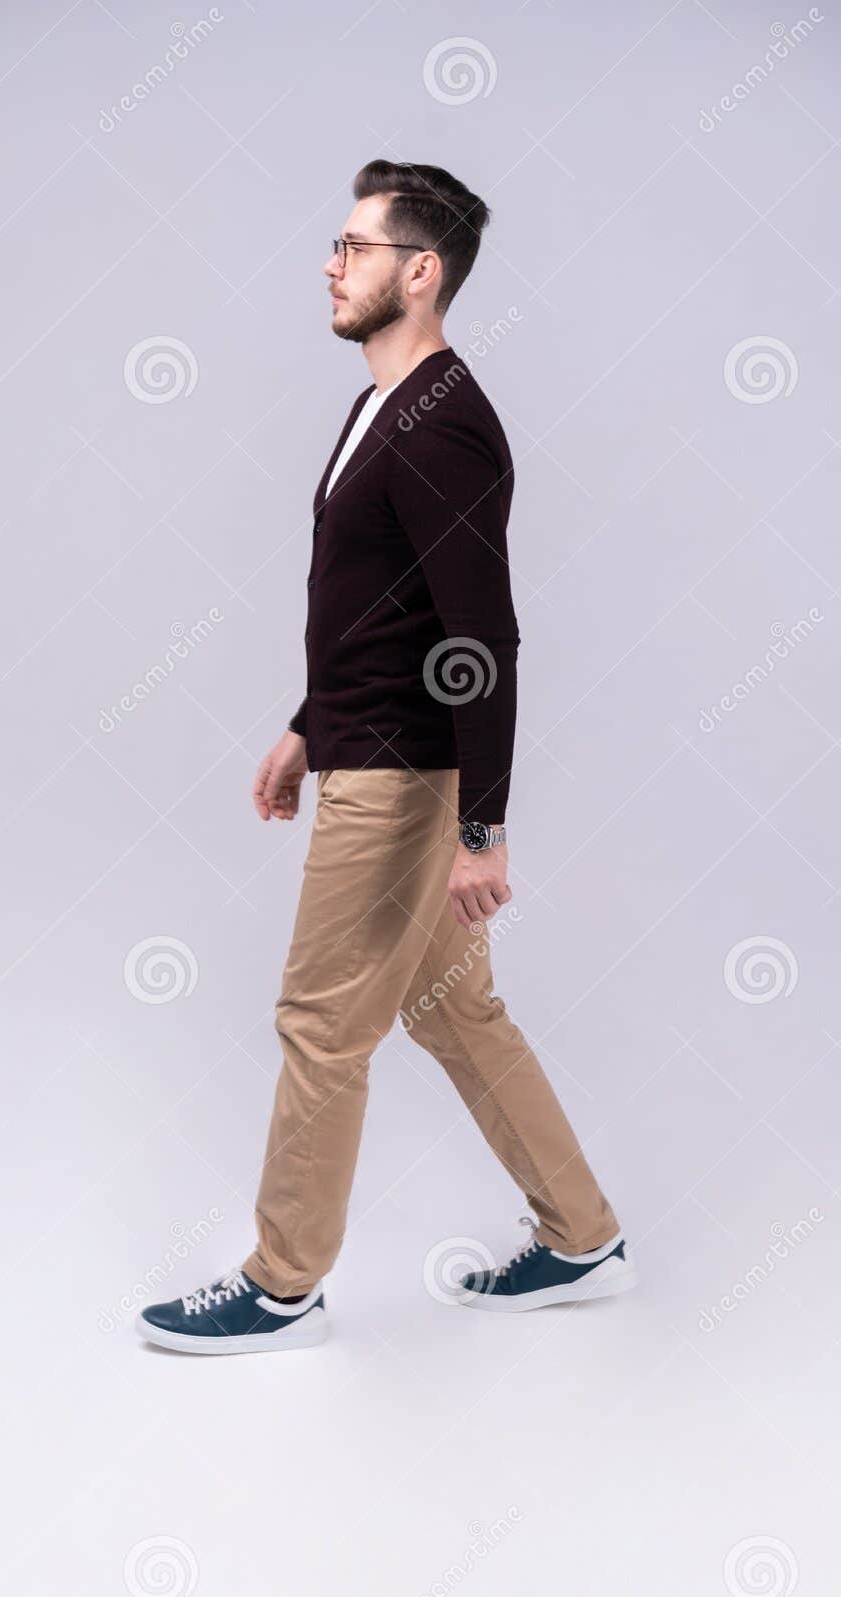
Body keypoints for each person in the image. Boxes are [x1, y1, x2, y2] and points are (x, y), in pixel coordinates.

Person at [137, 160, 634, 1355]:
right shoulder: (383, 404)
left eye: (355, 247)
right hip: (367, 748)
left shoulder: (443, 421)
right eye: (336, 242)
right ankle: (581, 1236)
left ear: (421, 271)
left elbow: (482, 637)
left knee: (320, 1022)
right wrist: (311, 722)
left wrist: (482, 827)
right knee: (453, 1011)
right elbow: (386, 607)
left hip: (407, 781)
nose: (329, 262)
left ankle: (282, 1282)